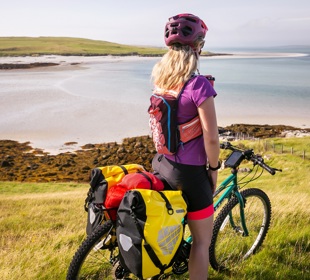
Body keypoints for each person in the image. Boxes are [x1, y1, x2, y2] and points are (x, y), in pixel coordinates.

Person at [151, 13, 220, 279]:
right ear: (198, 46)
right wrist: (213, 169)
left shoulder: (163, 80)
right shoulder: (198, 84)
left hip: (162, 163)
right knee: (202, 242)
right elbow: (211, 137)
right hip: (190, 175)